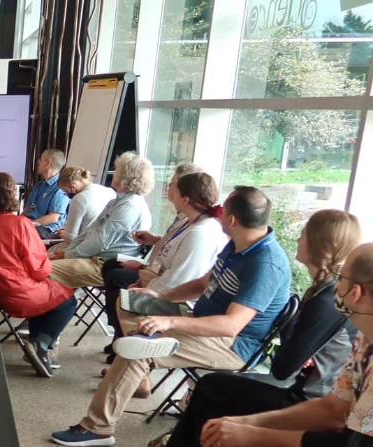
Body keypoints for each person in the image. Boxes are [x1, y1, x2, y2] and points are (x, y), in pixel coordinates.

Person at [51, 186, 292, 446]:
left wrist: (170, 321)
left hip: (232, 345)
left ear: (232, 220)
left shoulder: (265, 264)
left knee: (139, 350)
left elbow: (232, 325)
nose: (219, 215)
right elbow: (203, 283)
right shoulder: (239, 243)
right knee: (129, 302)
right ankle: (137, 349)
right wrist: (162, 297)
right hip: (201, 322)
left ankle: (97, 428)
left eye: (224, 212)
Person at [162, 210, 361, 447]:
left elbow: (282, 368)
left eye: (304, 234)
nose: (298, 240)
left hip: (309, 401)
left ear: (319, 243)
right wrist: (302, 350)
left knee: (211, 388)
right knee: (213, 388)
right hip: (310, 390)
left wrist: (300, 350)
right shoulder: (327, 291)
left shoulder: (325, 300)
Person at [100, 171, 228, 361]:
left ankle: (130, 350)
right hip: (165, 282)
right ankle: (123, 341)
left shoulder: (201, 233)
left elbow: (180, 281)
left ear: (185, 199)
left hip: (180, 301)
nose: (169, 190)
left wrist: (148, 289)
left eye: (174, 187)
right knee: (116, 275)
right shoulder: (190, 221)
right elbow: (169, 256)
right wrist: (144, 273)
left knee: (121, 289)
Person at [0, 173, 75, 377]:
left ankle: (35, 343)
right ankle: (41, 344)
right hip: (17, 294)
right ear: (13, 194)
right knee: (66, 299)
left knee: (45, 294)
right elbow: (39, 270)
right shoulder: (21, 225)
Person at [47, 152, 154, 292]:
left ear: (125, 177)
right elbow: (90, 231)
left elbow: (100, 241)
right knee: (37, 263)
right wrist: (68, 251)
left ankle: (58, 309)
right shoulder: (117, 201)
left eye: (117, 170)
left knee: (42, 270)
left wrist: (67, 254)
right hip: (94, 258)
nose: (113, 173)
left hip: (104, 264)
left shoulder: (129, 207)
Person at [56, 166, 116, 244]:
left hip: (83, 245)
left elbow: (70, 238)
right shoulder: (110, 191)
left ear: (73, 186)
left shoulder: (79, 199)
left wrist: (64, 233)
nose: (67, 195)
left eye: (66, 192)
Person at [24, 149, 72, 239]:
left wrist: (27, 225)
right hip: (30, 226)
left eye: (41, 160)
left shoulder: (60, 187)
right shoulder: (38, 186)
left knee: (21, 234)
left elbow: (53, 218)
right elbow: (27, 210)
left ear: (47, 163)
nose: (38, 162)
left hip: (47, 229)